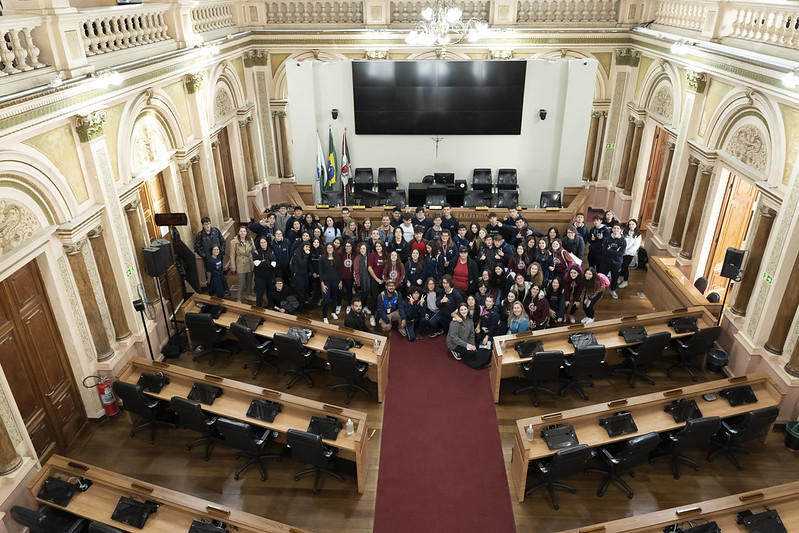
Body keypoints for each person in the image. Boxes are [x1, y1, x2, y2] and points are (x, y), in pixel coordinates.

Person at [447, 303, 492, 368]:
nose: (463, 311)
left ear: (468, 310)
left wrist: (472, 344)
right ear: (459, 311)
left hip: (465, 340)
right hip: (454, 343)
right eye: (461, 310)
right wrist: (467, 345)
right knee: (471, 353)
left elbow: (471, 334)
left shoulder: (470, 320)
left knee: (476, 347)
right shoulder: (454, 322)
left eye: (465, 309)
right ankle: (455, 350)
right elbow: (453, 338)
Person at [600, 221, 626, 299]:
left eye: (618, 228)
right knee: (602, 277)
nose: (616, 230)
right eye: (614, 228)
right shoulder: (607, 239)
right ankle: (601, 291)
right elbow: (604, 252)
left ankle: (612, 290)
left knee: (615, 278)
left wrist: (610, 250)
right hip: (606, 262)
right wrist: (615, 251)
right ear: (612, 229)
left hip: (616, 263)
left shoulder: (623, 241)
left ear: (620, 230)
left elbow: (621, 254)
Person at [231, 225, 254, 302]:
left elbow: (254, 250)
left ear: (246, 232)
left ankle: (249, 295)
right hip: (240, 264)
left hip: (249, 263)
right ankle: (238, 299)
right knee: (241, 282)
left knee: (249, 281)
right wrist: (233, 267)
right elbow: (232, 256)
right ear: (238, 232)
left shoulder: (250, 239)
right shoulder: (234, 242)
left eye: (244, 231)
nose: (243, 233)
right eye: (241, 231)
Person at [319, 242, 341, 323]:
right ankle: (325, 316)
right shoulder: (322, 259)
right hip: (326, 282)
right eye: (328, 248)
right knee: (326, 299)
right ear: (326, 249)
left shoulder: (337, 257)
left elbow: (339, 270)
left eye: (331, 248)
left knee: (335, 297)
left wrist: (340, 281)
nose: (330, 249)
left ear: (333, 249)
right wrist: (322, 284)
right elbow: (320, 272)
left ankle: (333, 311)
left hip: (335, 280)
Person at [252, 236, 276, 307]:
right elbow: (257, 263)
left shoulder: (271, 251)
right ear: (259, 244)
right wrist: (268, 262)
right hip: (260, 277)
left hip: (269, 276)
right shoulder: (255, 252)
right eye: (261, 242)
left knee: (270, 292)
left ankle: (271, 305)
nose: (263, 244)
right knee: (260, 292)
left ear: (267, 243)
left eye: (264, 242)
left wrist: (262, 263)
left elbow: (274, 264)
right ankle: (258, 306)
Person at [367, 241, 386, 327]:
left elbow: (388, 266)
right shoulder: (372, 255)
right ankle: (372, 316)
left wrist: (383, 279)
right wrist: (377, 279)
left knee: (383, 297)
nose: (378, 248)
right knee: (375, 297)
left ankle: (381, 315)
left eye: (380, 246)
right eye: (377, 246)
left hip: (384, 280)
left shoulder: (386, 255)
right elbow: (370, 268)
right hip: (375, 279)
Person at [619, 218, 642, 289]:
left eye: (633, 224)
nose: (631, 226)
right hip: (622, 252)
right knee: (620, 265)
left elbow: (635, 246)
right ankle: (620, 277)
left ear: (636, 225)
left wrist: (626, 252)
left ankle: (625, 281)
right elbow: (621, 240)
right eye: (630, 224)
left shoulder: (638, 235)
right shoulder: (624, 232)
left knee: (625, 266)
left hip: (629, 254)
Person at [290, 241, 311, 313]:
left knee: (305, 291)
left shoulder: (306, 253)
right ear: (302, 246)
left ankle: (303, 305)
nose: (307, 248)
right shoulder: (297, 252)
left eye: (308, 247)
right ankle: (300, 308)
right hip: (298, 275)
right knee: (300, 292)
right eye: (306, 246)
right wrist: (306, 255)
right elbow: (302, 263)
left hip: (305, 275)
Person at [353, 242, 372, 316]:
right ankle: (360, 310)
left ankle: (364, 307)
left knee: (366, 295)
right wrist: (358, 282)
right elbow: (356, 271)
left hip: (368, 280)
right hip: (361, 280)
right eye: (361, 248)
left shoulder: (369, 256)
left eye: (364, 248)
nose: (362, 250)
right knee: (361, 296)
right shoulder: (357, 258)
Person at [339, 240, 356, 313]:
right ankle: (338, 304)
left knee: (349, 292)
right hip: (342, 277)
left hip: (350, 277)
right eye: (346, 246)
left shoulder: (354, 255)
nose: (347, 247)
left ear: (352, 247)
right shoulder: (341, 254)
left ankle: (349, 305)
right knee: (340, 291)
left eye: (349, 246)